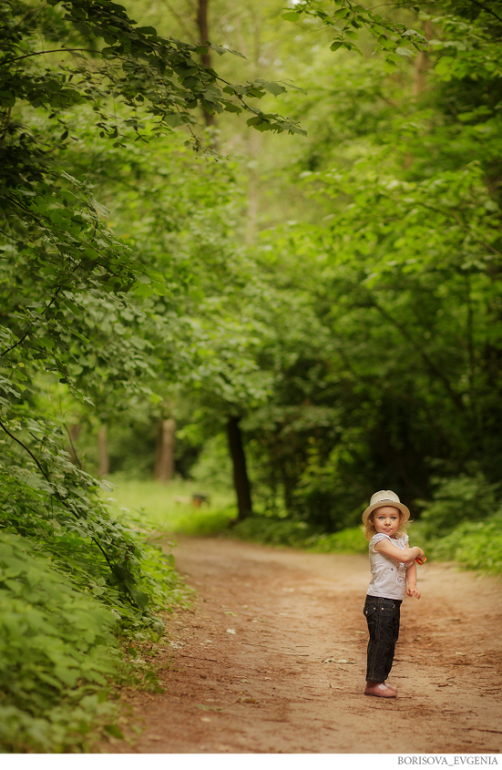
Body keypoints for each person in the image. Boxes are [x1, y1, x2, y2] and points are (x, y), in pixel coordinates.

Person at [361, 489, 426, 698]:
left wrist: (412, 583)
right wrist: (417, 550)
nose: (387, 522)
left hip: (393, 600)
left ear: (400, 520)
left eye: (392, 517)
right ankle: (372, 683)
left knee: (389, 641)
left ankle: (381, 680)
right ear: (372, 521)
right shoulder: (379, 540)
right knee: (380, 641)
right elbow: (408, 555)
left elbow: (409, 563)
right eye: (381, 517)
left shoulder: (401, 539)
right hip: (379, 599)